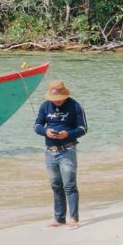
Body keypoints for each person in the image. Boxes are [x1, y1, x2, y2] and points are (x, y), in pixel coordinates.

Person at [34, 79, 87, 228]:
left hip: (68, 150)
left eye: (59, 99)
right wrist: (46, 131)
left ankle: (74, 219)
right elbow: (37, 125)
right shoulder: (45, 106)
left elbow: (83, 129)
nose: (56, 102)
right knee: (56, 186)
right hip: (49, 152)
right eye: (53, 99)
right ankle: (59, 218)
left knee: (69, 186)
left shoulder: (75, 106)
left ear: (65, 95)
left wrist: (67, 134)